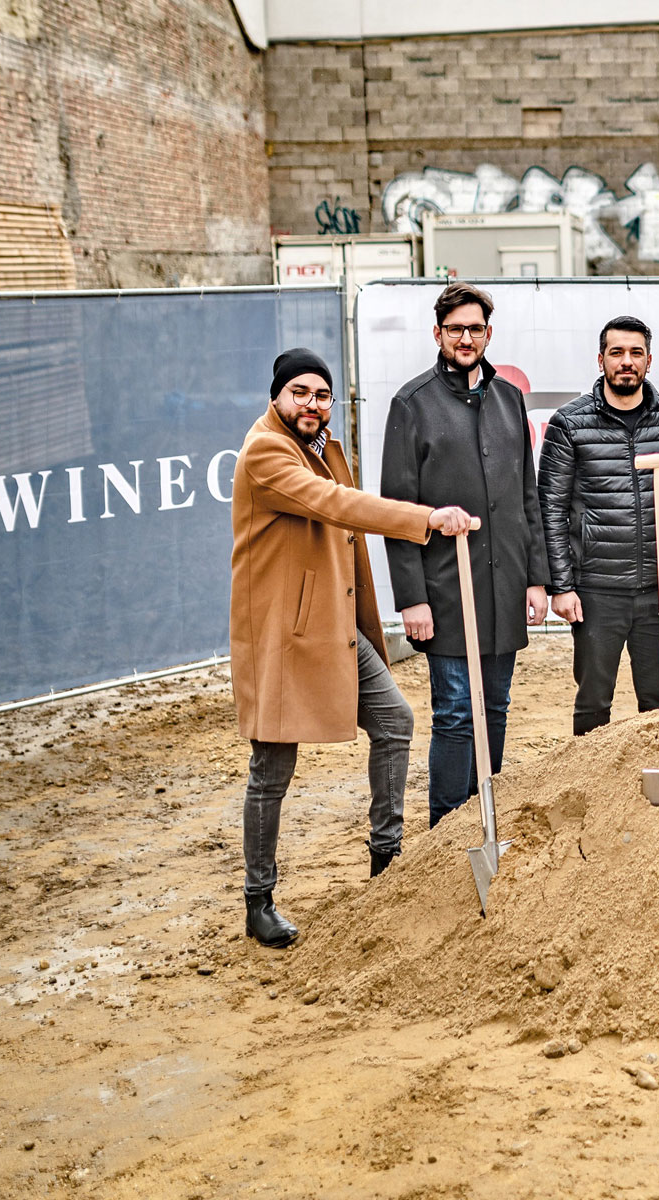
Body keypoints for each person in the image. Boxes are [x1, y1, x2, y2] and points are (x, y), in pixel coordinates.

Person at [229, 348, 472, 948]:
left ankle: (385, 857)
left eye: (321, 394)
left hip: (334, 627)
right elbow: (336, 504)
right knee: (272, 767)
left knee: (395, 719)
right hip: (284, 635)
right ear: (277, 395)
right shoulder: (265, 451)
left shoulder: (319, 444)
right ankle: (259, 898)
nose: (312, 404)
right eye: (300, 393)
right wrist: (426, 518)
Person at [379, 282, 550, 830]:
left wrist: (536, 580)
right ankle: (446, 830)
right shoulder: (412, 403)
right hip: (446, 591)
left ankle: (485, 815)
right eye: (455, 329)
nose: (466, 338)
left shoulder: (508, 398)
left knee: (494, 707)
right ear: (438, 334)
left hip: (503, 587)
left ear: (488, 334)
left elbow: (528, 495)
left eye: (476, 328)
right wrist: (412, 599)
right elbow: (397, 509)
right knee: (454, 712)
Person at [538, 316, 659, 736]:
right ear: (601, 359)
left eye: (635, 353)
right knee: (593, 698)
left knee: (658, 702)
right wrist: (561, 585)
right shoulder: (569, 423)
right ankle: (588, 788)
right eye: (616, 352)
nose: (626, 361)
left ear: (648, 362)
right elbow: (551, 507)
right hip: (597, 588)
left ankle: (648, 793)